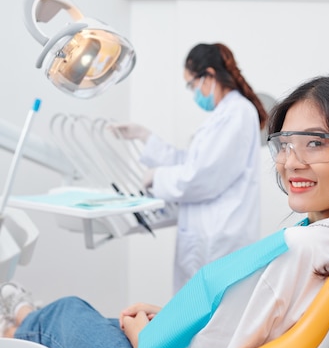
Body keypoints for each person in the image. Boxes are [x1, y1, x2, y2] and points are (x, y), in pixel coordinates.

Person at [1, 70, 329, 348]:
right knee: (102, 323)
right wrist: (172, 322)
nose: (291, 161)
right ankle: (22, 318)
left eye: (315, 142)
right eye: (284, 143)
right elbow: (270, 329)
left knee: (65, 314)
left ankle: (19, 322)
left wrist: (143, 335)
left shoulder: (300, 249)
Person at [110, 42, 269, 292]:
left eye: (192, 84)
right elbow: (192, 163)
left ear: (210, 75)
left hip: (219, 237)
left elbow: (200, 177)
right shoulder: (224, 115)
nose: (194, 92)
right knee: (195, 312)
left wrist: (157, 177)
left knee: (210, 317)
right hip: (208, 233)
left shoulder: (236, 114)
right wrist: (144, 136)